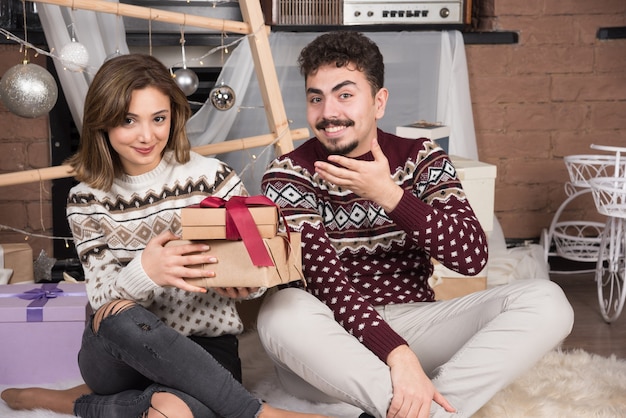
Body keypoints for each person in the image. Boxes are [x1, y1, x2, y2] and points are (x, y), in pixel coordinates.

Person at [256, 31, 575, 418]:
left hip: (415, 323)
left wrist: (390, 195)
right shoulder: (288, 173)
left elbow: (472, 256)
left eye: (344, 95)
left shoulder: (420, 157)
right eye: (315, 98)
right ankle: (425, 407)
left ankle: (423, 411)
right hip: (330, 344)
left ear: (378, 102)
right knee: (281, 311)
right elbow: (327, 283)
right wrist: (398, 354)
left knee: (547, 301)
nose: (327, 113)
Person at [1, 53, 327, 418]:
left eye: (159, 119)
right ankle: (257, 414)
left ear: (174, 116)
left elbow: (256, 269)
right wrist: (146, 271)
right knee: (118, 313)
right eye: (128, 120)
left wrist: (244, 286)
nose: (147, 135)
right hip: (117, 353)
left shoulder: (213, 179)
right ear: (103, 123)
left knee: (172, 410)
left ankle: (68, 401)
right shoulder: (85, 199)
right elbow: (102, 298)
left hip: (203, 351)